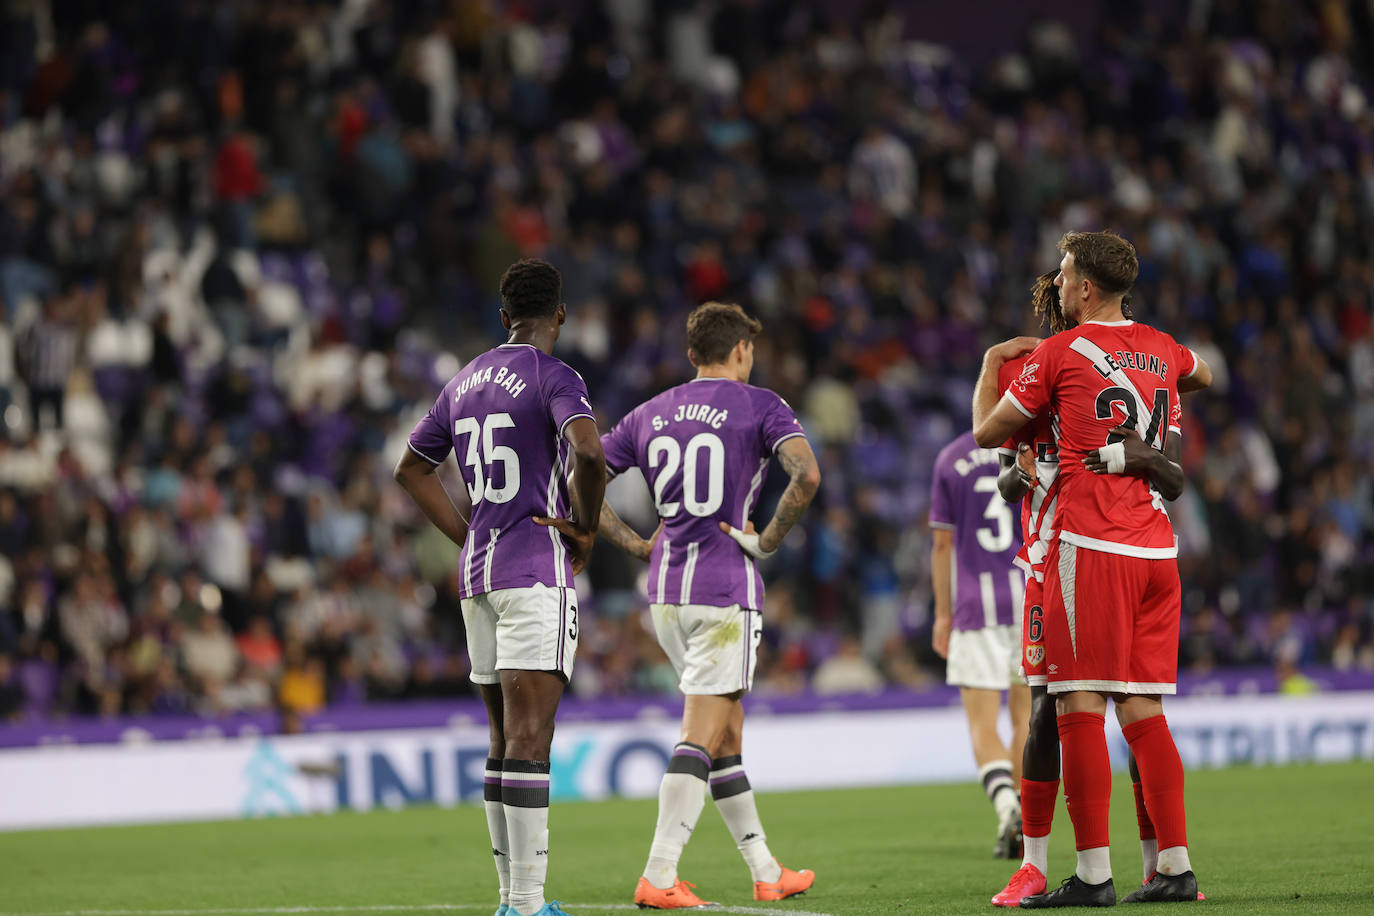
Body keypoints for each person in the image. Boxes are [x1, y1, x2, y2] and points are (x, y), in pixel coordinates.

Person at [972, 231, 1206, 906]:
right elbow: (1203, 373)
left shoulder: (1058, 354)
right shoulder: (1161, 348)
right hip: (1157, 548)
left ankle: (1094, 875)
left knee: (1074, 706)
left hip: (1090, 546)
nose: (1059, 280)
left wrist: (993, 361)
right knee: (1141, 709)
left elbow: (986, 433)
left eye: (1066, 272)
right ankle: (1173, 866)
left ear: (1085, 287)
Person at [582, 301, 821, 909]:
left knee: (725, 735)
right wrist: (765, 540)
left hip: (665, 595)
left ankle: (766, 870)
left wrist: (637, 544)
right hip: (722, 593)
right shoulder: (761, 406)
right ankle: (659, 874)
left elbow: (579, 479)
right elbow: (807, 477)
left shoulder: (648, 413)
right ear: (742, 350)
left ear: (692, 355)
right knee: (701, 732)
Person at [395, 258, 605, 916]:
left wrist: (469, 535)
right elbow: (591, 453)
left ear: (502, 313)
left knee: (500, 738)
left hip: (478, 577)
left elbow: (411, 469)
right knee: (530, 736)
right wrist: (587, 528)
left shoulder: (462, 381)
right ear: (560, 315)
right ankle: (527, 903)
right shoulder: (554, 375)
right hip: (533, 570)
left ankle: (510, 899)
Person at [928, 429, 1029, 860]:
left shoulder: (951, 459)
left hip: (974, 604)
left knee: (982, 722)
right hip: (1028, 595)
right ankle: (1026, 813)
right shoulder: (1031, 446)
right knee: (1026, 718)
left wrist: (942, 614)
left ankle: (1007, 809)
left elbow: (941, 543)